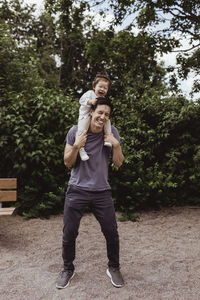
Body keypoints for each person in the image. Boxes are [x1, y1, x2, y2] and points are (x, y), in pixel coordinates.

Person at [56, 97, 125, 289]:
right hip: (77, 189)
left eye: (107, 114)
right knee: (69, 233)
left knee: (111, 232)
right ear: (92, 112)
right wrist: (77, 145)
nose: (103, 117)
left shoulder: (111, 133)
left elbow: (119, 163)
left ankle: (114, 267)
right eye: (100, 112)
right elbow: (67, 162)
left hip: (102, 191)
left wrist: (116, 145)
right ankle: (67, 269)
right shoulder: (76, 131)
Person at [78, 72, 112, 161]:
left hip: (95, 118)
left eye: (105, 88)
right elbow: (81, 100)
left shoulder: (103, 99)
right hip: (85, 116)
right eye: (100, 87)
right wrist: (90, 102)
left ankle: (108, 137)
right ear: (94, 87)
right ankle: (81, 149)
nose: (102, 89)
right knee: (82, 130)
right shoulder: (89, 93)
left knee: (107, 121)